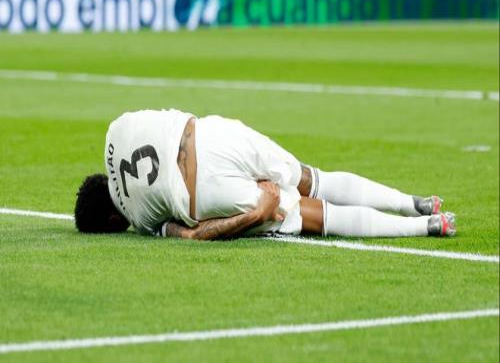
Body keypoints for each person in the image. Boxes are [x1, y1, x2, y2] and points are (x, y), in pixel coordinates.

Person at [74, 109, 456, 240]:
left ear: (112, 221)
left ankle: (426, 227)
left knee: (310, 214)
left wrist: (254, 215)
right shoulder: (115, 130)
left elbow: (193, 235)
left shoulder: (141, 222)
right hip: (209, 136)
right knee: (310, 178)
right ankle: (412, 203)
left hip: (202, 193)